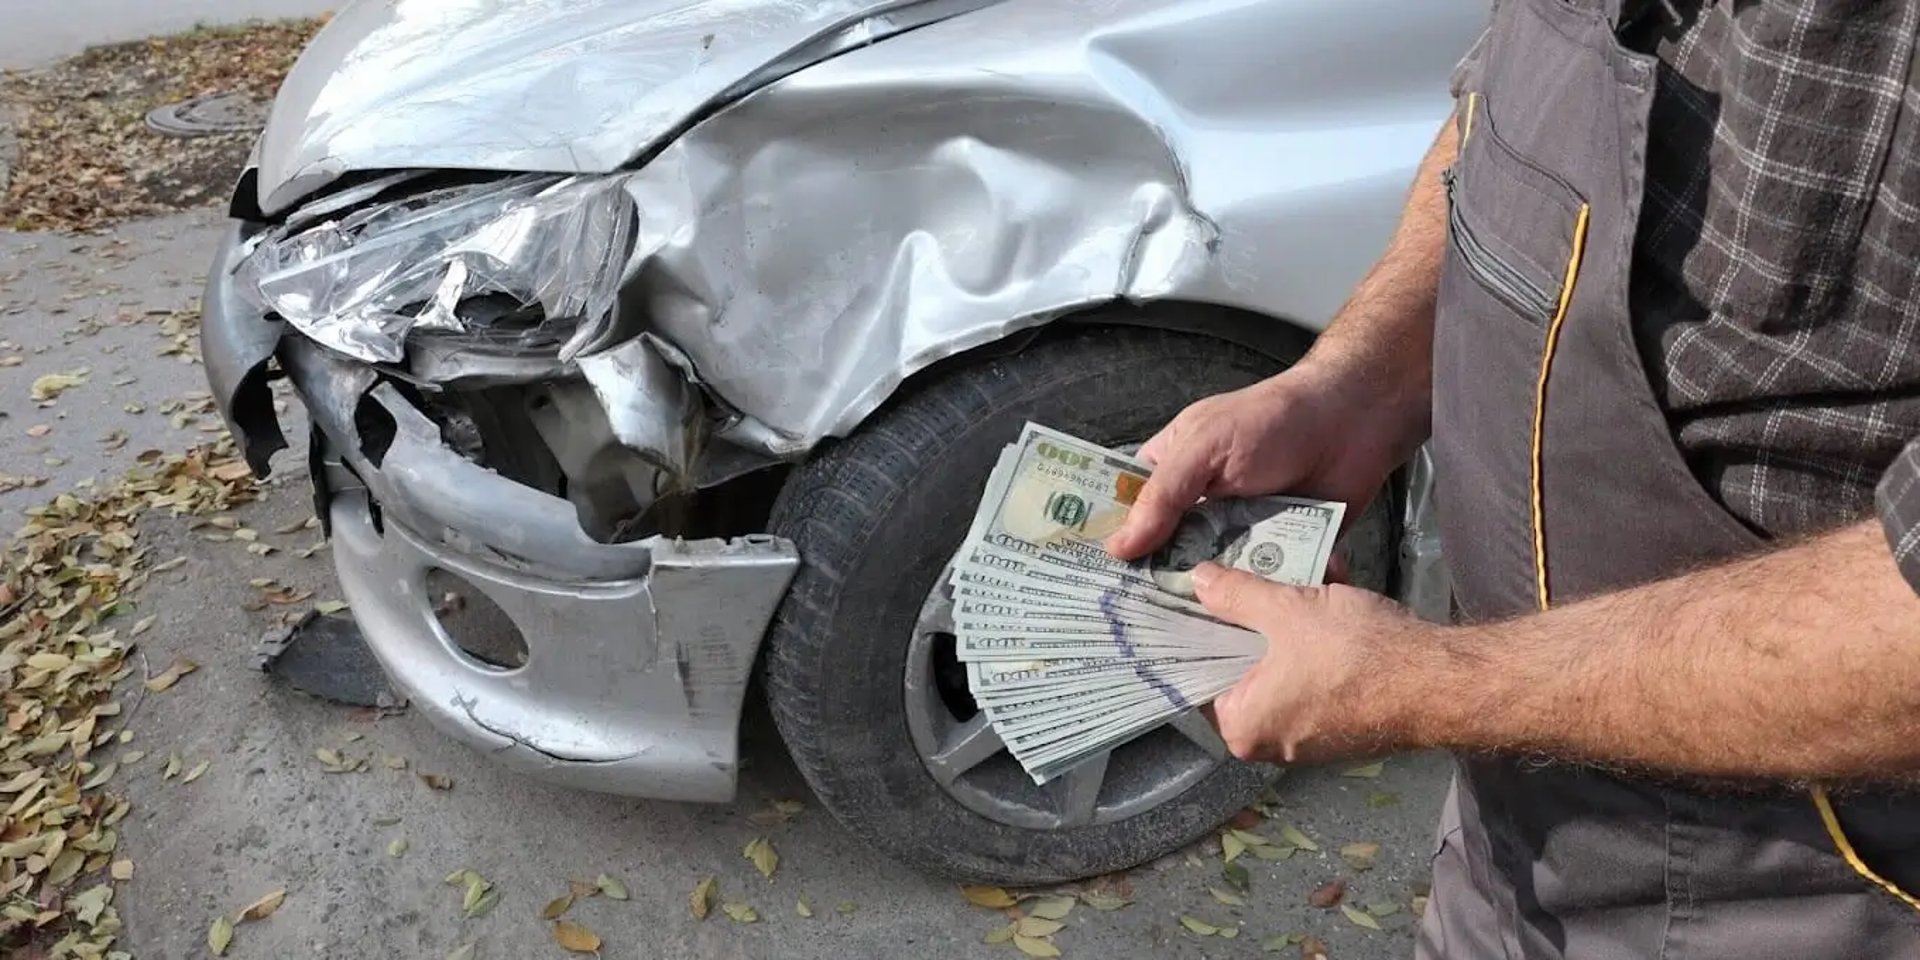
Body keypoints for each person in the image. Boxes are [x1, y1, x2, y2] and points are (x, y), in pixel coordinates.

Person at [1103, 1, 1920, 957]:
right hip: (1507, 845)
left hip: (1809, 908)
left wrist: (1424, 685)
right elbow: (1503, 119)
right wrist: (1359, 382)